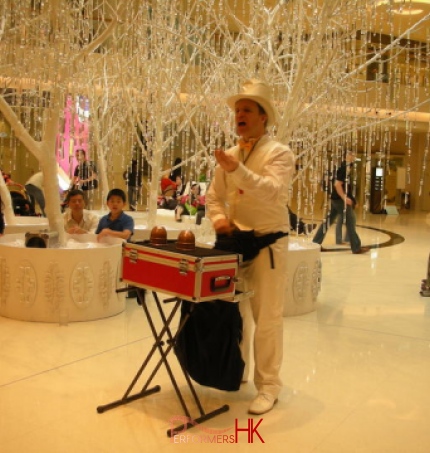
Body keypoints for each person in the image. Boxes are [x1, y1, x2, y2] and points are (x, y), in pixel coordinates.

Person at [206, 79, 295, 415]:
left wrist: (237, 170)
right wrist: (217, 220)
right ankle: (237, 371)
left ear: (263, 117)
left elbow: (270, 191)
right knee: (234, 313)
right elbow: (213, 196)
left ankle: (269, 386)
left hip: (269, 245)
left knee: (267, 317)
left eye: (246, 110)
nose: (239, 114)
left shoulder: (280, 153)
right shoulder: (229, 155)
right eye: (237, 110)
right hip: (233, 245)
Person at [313, 150, 370, 254]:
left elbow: (345, 186)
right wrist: (344, 198)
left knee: (328, 222)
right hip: (340, 200)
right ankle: (356, 247)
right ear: (347, 156)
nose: (354, 156)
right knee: (350, 221)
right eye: (352, 154)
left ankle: (315, 243)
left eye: (354, 154)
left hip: (336, 199)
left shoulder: (345, 167)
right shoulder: (344, 167)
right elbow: (337, 184)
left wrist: (352, 199)